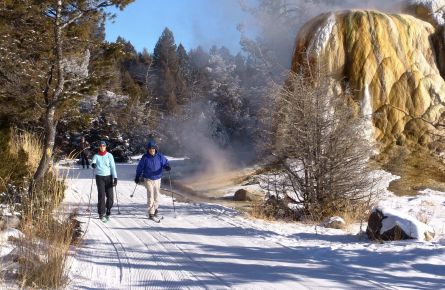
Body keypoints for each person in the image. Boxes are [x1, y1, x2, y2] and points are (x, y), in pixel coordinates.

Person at [135, 140, 171, 219]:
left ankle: (155, 209)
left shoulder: (160, 156)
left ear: (155, 149)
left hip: (157, 179)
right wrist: (137, 176)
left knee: (157, 195)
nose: (152, 150)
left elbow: (165, 163)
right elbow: (140, 168)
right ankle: (151, 212)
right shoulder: (145, 158)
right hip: (148, 179)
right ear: (148, 149)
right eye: (150, 149)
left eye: (153, 149)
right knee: (150, 195)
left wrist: (167, 166)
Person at [91, 141, 117, 222]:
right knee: (101, 195)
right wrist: (93, 165)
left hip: (108, 177)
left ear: (105, 147)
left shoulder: (109, 155)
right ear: (99, 147)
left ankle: (108, 208)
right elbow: (93, 162)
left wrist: (115, 177)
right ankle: (101, 212)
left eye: (103, 146)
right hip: (99, 177)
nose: (102, 147)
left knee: (110, 195)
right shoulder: (96, 156)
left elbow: (113, 167)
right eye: (101, 146)